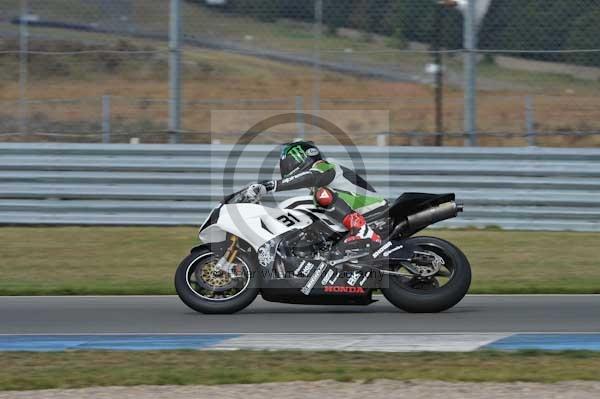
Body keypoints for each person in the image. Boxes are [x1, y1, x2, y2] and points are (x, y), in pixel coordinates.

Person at [244, 140, 387, 252]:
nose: (286, 168)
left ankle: (363, 231)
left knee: (321, 196)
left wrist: (269, 186)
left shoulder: (325, 166)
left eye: (287, 163)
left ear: (298, 157)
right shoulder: (319, 188)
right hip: (356, 209)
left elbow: (310, 176)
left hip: (371, 206)